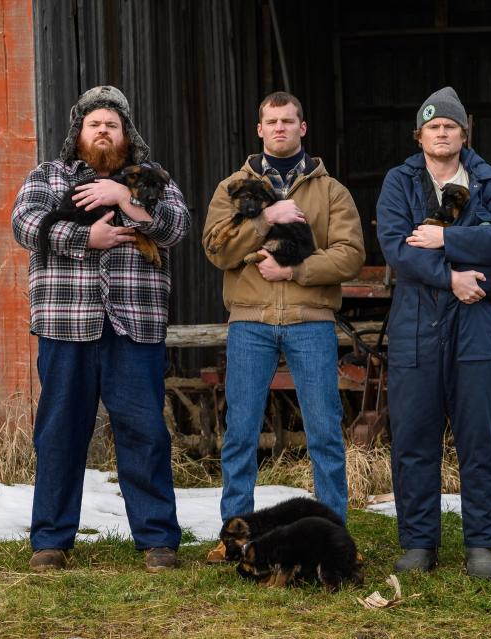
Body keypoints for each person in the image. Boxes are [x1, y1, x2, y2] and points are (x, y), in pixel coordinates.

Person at [12, 86, 190, 573]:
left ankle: (157, 541)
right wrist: (84, 236)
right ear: (80, 133)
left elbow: (175, 227)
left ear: (126, 135)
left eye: (112, 124)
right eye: (95, 124)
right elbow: (25, 224)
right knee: (59, 433)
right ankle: (50, 540)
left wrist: (126, 197)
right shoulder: (48, 177)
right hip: (67, 324)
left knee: (145, 431)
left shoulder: (155, 179)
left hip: (135, 326)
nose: (104, 131)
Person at [202, 92, 365, 560]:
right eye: (271, 121)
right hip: (249, 321)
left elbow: (351, 255)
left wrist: (294, 271)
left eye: (288, 120)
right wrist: (264, 219)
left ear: (302, 127)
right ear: (259, 129)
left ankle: (333, 538)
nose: (279, 128)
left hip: (309, 321)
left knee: (325, 432)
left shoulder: (330, 190)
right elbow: (216, 249)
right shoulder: (232, 187)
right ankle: (234, 537)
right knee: (240, 432)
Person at [376, 87, 491, 579]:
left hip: (476, 323)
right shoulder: (400, 183)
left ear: (465, 133)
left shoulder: (489, 181)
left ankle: (482, 543)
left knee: (479, 436)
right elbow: (397, 248)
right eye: (433, 125)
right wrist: (453, 275)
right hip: (416, 322)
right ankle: (420, 543)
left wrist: (446, 237)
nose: (442, 132)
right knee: (414, 438)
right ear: (419, 135)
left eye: (451, 125)